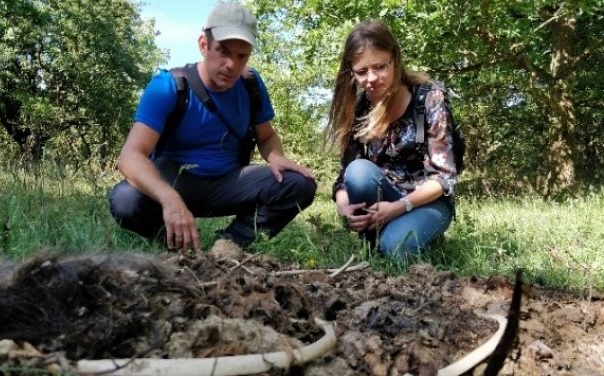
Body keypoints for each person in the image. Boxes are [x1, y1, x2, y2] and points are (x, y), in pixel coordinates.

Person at [108, 3, 316, 252]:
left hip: (229, 183)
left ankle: (229, 245)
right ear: (203, 45)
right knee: (125, 199)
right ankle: (178, 246)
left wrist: (276, 156)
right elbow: (130, 156)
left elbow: (267, 135)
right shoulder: (168, 86)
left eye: (242, 56)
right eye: (223, 51)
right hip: (176, 182)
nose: (231, 64)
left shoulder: (251, 84)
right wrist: (170, 199)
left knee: (299, 184)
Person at [327, 20, 458, 259]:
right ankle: (380, 237)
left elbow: (444, 178)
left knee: (395, 249)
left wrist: (398, 208)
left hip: (427, 201)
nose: (372, 78)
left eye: (380, 66)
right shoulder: (359, 109)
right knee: (358, 172)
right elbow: (344, 177)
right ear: (351, 72)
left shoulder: (429, 99)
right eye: (362, 71)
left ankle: (420, 237)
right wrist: (344, 208)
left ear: (395, 60)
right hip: (383, 196)